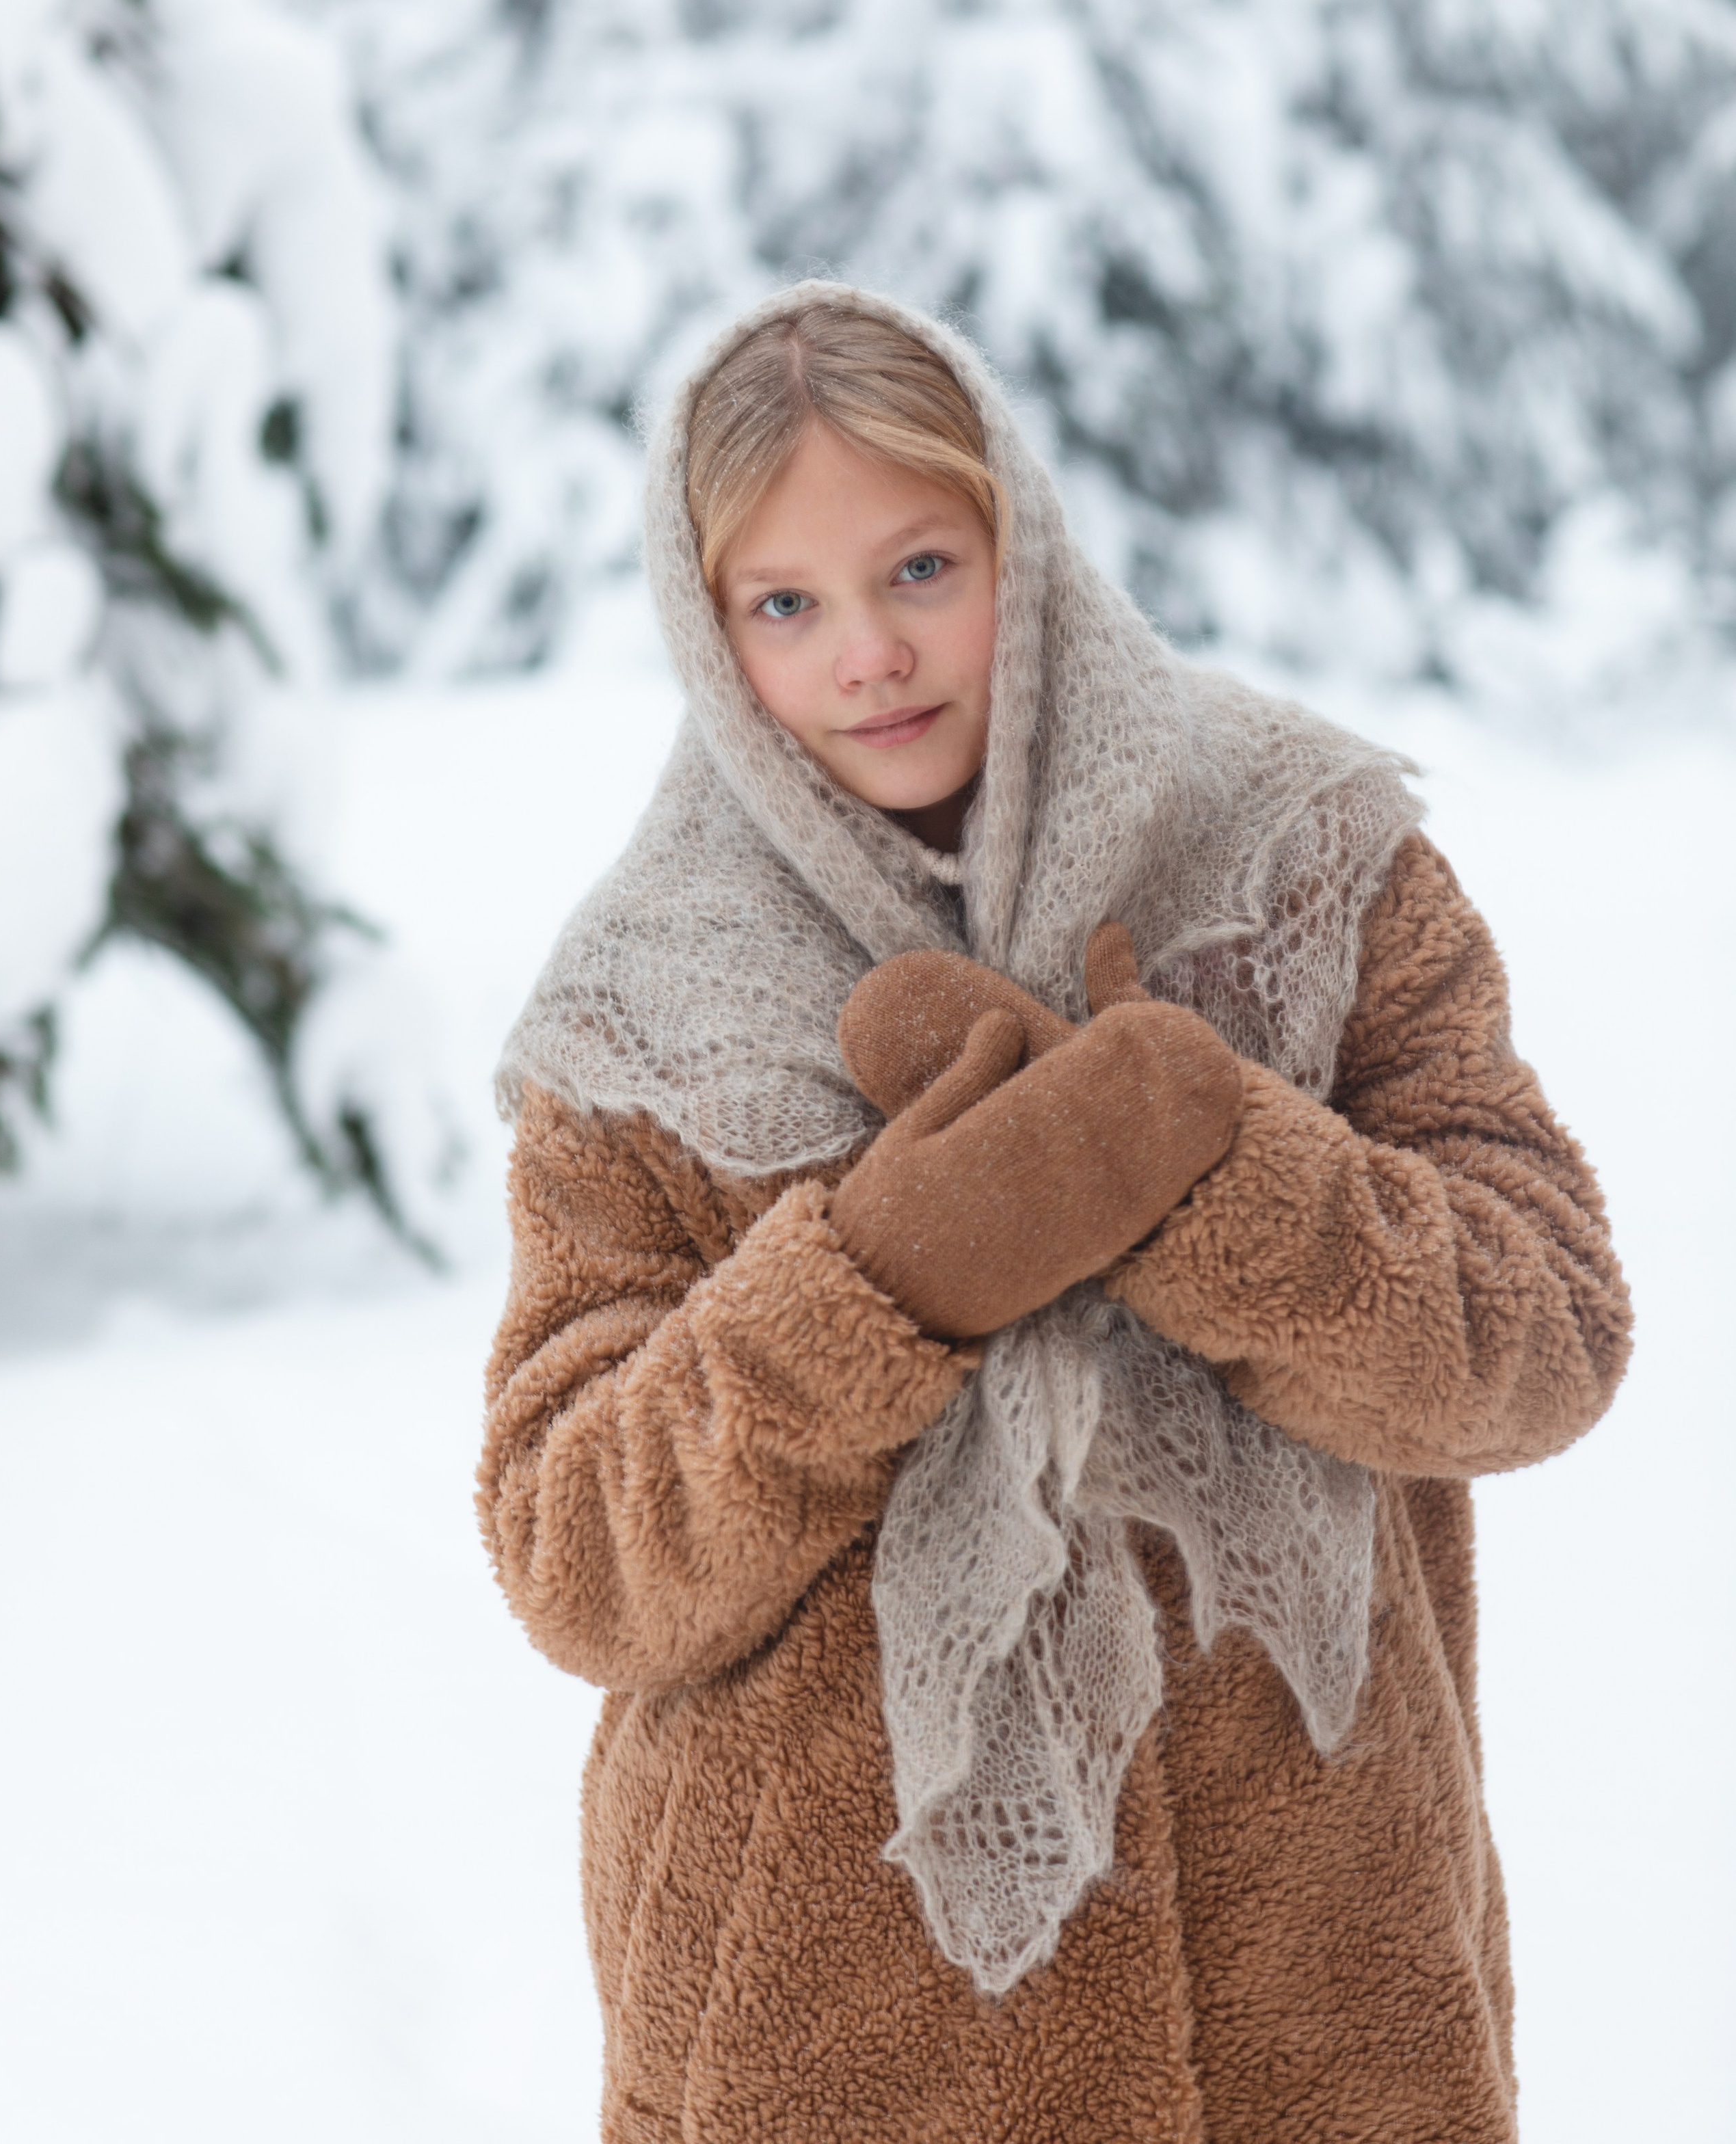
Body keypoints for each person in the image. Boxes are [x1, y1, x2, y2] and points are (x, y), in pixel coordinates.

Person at [479, 281, 1629, 2144]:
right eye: (786, 605)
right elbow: (578, 1555)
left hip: (1322, 1999)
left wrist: (1216, 1174)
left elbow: (1544, 1340)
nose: (870, 653)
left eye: (922, 566)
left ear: (1020, 525)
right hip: (831, 2040)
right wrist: (877, 1283)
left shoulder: (1306, 866)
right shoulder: (642, 1016)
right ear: (711, 632)